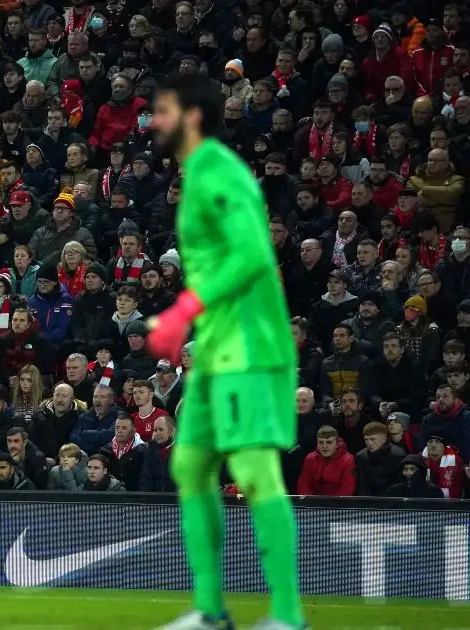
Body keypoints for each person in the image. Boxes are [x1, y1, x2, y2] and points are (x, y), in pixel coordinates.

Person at [147, 73, 304, 630]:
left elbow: (254, 254)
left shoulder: (220, 174)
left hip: (251, 349)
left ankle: (288, 617)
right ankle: (211, 611)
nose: (153, 121)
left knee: (257, 474)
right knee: (190, 465)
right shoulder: (196, 177)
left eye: (162, 110)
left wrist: (182, 310)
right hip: (215, 351)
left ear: (191, 116)